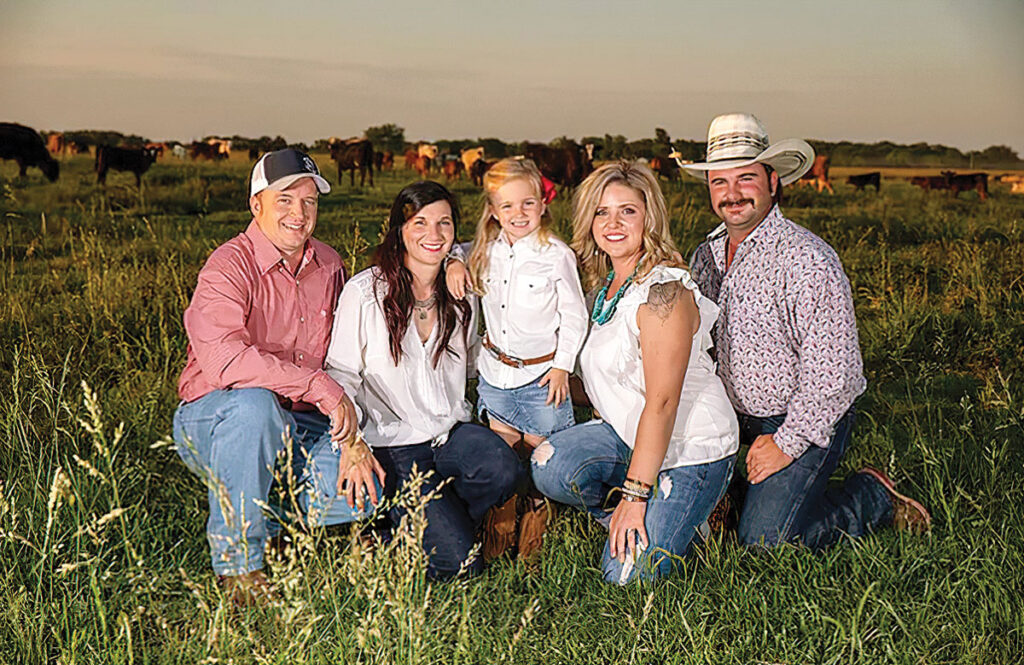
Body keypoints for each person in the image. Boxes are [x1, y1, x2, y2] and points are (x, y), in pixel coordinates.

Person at [683, 113, 931, 550]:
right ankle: (739, 497)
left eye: (746, 179)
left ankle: (870, 497)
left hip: (800, 415)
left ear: (773, 181)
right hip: (729, 414)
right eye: (720, 182)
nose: (732, 194)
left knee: (765, 542)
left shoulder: (807, 259)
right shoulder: (705, 255)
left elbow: (834, 377)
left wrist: (785, 442)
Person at [172, 149, 368, 606]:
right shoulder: (227, 266)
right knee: (256, 408)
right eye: (284, 200)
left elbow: (354, 338)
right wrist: (318, 387)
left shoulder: (330, 264)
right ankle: (239, 566)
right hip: (218, 418)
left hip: (297, 425)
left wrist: (355, 440)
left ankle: (267, 512)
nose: (299, 214)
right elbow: (223, 361)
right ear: (256, 203)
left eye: (309, 202)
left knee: (369, 493)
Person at [530, 161, 739, 584]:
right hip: (631, 433)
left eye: (627, 211)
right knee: (548, 463)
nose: (613, 223)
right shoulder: (603, 287)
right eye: (601, 212)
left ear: (649, 217)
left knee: (625, 578)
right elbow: (606, 377)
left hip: (690, 447)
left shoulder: (665, 292)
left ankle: (686, 509)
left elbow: (662, 401)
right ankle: (658, 519)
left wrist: (635, 496)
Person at [324, 180, 522, 580]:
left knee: (502, 466)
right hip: (395, 446)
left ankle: (417, 521)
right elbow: (340, 373)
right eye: (420, 223)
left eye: (444, 224)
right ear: (400, 229)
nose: (433, 235)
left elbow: (469, 365)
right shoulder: (365, 292)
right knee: (460, 566)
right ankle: (418, 524)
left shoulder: (463, 293)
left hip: (449, 433)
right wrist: (350, 441)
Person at [445, 158, 587, 561]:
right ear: (493, 210)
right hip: (496, 372)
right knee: (503, 450)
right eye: (506, 206)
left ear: (543, 204)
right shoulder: (484, 251)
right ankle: (502, 516)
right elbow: (453, 247)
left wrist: (562, 366)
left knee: (541, 453)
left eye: (527, 204)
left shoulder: (555, 255)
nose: (518, 214)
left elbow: (574, 315)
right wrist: (455, 261)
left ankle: (537, 514)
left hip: (542, 375)